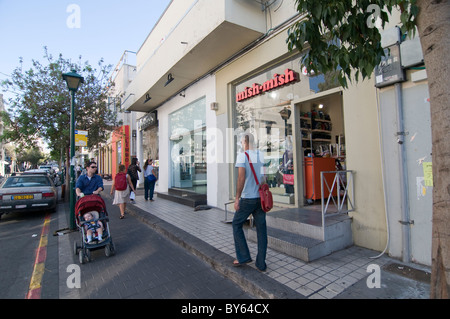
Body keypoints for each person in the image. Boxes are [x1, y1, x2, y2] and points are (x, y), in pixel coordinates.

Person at [232, 133, 267, 272]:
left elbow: (241, 179)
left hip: (247, 198)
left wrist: (237, 198)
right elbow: (264, 177)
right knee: (261, 230)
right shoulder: (261, 155)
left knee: (236, 224)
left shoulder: (242, 155)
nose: (241, 143)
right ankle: (261, 264)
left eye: (241, 141)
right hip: (260, 198)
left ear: (245, 142)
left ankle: (243, 257)